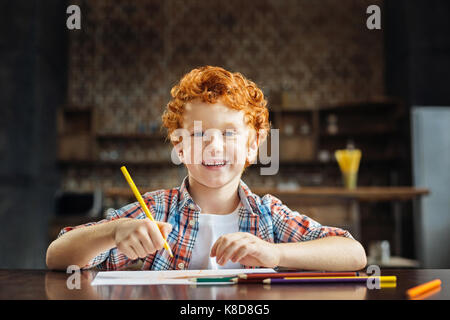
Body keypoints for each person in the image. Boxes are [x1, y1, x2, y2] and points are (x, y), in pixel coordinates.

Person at [46, 66, 367, 271]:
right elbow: (57, 255)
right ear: (179, 146)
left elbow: (353, 254)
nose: (214, 146)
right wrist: (112, 232)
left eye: (228, 133)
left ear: (253, 146)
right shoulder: (155, 210)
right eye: (199, 134)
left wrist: (276, 254)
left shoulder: (269, 216)